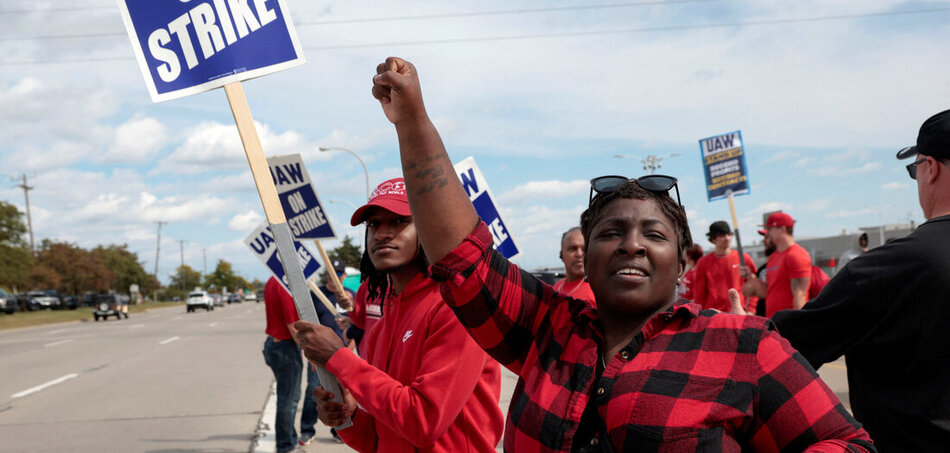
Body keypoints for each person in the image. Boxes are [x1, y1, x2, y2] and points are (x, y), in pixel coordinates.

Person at [369, 56, 873, 452]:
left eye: (654, 234)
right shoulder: (547, 328)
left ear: (682, 260)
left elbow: (848, 443)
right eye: (611, 233)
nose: (631, 243)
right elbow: (463, 259)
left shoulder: (745, 346)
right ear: (586, 258)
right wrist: (413, 120)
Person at [767, 110, 950, 451]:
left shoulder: (889, 268)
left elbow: (782, 349)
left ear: (930, 167)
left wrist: (737, 332)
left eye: (915, 170)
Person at [292, 178, 504, 452]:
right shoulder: (383, 318)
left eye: (399, 221)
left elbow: (424, 422)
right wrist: (350, 415)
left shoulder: (456, 306)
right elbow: (378, 440)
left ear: (429, 228)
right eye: (374, 224)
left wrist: (339, 358)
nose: (381, 234)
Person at [300, 261, 350, 446]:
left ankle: (339, 431)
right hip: (319, 354)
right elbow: (306, 326)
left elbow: (355, 324)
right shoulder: (315, 295)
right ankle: (307, 430)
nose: (332, 276)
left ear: (343, 276)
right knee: (314, 392)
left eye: (337, 273)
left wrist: (350, 350)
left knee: (341, 393)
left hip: (344, 354)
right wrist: (310, 354)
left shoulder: (348, 296)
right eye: (329, 272)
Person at [261, 276, 305, 453]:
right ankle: (285, 446)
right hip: (285, 347)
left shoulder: (272, 280)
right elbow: (292, 325)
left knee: (289, 397)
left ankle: (289, 439)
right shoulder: (285, 284)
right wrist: (310, 352)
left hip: (274, 343)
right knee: (289, 400)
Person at [739, 212, 811, 317]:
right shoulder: (774, 257)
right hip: (773, 321)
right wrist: (750, 276)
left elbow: (800, 294)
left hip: (788, 323)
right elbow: (767, 291)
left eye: (770, 229)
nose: (767, 234)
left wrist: (797, 325)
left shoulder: (796, 255)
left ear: (782, 229)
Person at [691, 220, 756, 312]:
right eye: (722, 235)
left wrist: (751, 310)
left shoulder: (743, 258)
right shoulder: (703, 262)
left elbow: (753, 285)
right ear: (713, 239)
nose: (727, 238)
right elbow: (699, 294)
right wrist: (698, 314)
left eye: (729, 234)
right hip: (713, 315)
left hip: (738, 312)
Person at [552, 226, 596, 303]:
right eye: (573, 248)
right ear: (562, 255)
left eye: (584, 249)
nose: (579, 254)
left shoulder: (599, 290)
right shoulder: (555, 289)